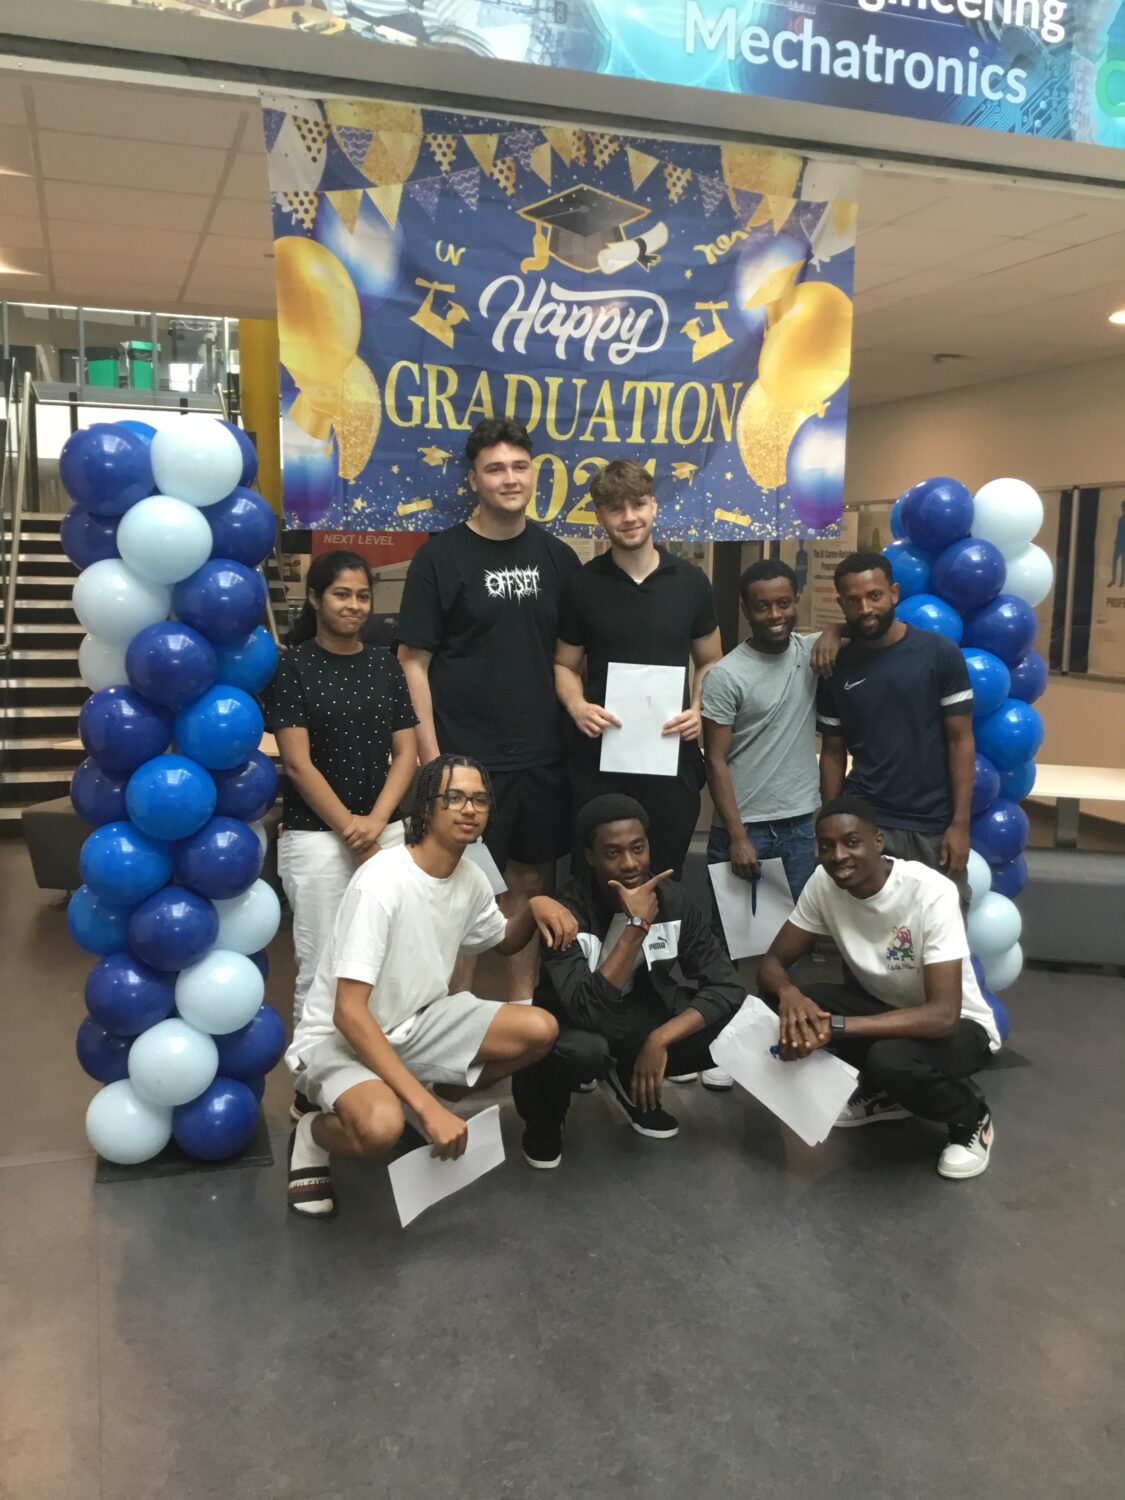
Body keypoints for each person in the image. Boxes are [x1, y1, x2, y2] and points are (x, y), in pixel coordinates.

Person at [285, 754, 575, 1219]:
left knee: (539, 1029)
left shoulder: (470, 876)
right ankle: (314, 1133)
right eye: (454, 797)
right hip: (340, 1041)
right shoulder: (382, 881)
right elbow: (348, 1013)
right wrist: (424, 1107)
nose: (469, 808)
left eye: (480, 799)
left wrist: (536, 904)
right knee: (380, 1128)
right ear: (426, 807)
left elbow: (499, 940)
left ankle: (433, 1096)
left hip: (419, 1022)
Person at [396, 417, 580, 1002]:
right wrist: (435, 764)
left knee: (532, 882)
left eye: (520, 466)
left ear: (534, 473)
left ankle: (522, 1008)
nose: (510, 479)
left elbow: (572, 658)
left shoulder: (557, 556)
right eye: (495, 468)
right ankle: (456, 1023)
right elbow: (412, 663)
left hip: (543, 757)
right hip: (466, 764)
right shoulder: (440, 558)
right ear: (473, 479)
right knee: (462, 891)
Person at [757, 796, 1001, 1180]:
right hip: (885, 1007)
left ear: (878, 842)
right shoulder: (823, 883)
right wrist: (790, 996)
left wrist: (836, 1027)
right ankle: (890, 1095)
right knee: (794, 1002)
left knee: (890, 1059)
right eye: (826, 846)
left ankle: (971, 1117)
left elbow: (943, 1015)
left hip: (961, 1027)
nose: (838, 856)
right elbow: (772, 965)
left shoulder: (930, 892)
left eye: (851, 842)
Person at [512, 795, 743, 1169]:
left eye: (638, 848)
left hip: (635, 1014)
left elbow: (727, 985)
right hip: (570, 1024)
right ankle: (545, 1120)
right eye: (613, 852)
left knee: (738, 1022)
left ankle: (628, 1078)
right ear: (589, 856)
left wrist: (660, 1039)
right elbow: (585, 1010)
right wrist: (636, 927)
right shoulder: (566, 911)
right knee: (585, 1051)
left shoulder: (673, 901)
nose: (631, 863)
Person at [262, 549, 418, 1059]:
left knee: (391, 963)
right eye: (341, 594)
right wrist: (350, 828)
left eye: (363, 596)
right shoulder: (293, 667)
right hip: (316, 838)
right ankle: (311, 1078)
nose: (354, 606)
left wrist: (374, 822)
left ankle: (381, 1073)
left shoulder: (384, 665)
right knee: (324, 965)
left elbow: (407, 751)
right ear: (315, 598)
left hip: (387, 832)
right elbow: (298, 763)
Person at [701, 559, 838, 1091]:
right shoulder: (728, 675)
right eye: (763, 606)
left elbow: (860, 620)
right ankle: (723, 1046)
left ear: (796, 600)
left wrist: (834, 628)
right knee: (731, 949)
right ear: (746, 609)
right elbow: (715, 761)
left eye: (784, 603)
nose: (775, 614)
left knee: (788, 947)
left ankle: (779, 1038)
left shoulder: (810, 652)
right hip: (747, 829)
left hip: (801, 827)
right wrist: (735, 835)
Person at [554, 459, 723, 881]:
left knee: (665, 876)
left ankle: (662, 951)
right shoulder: (581, 585)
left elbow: (711, 660)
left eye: (638, 504)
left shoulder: (691, 582)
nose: (629, 517)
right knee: (598, 879)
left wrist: (699, 708)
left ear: (654, 506)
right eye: (616, 508)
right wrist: (577, 706)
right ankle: (602, 949)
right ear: (600, 517)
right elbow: (564, 664)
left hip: (670, 756)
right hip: (600, 759)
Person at [817, 551, 975, 898]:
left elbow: (960, 740)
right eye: (854, 600)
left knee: (940, 936)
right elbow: (832, 751)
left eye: (874, 595)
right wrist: (830, 823)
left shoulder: (939, 654)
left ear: (894, 593)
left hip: (931, 824)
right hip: (866, 822)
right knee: (864, 934)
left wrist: (960, 825)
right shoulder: (835, 665)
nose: (866, 608)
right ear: (841, 603)